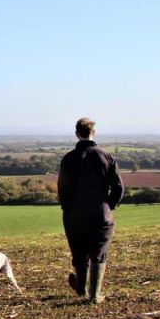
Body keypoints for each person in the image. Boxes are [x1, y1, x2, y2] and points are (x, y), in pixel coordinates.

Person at [58, 118, 124, 304]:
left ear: (77, 133)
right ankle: (94, 296)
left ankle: (81, 289)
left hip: (74, 215)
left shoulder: (68, 159)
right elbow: (118, 188)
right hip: (101, 213)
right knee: (98, 253)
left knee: (79, 253)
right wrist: (108, 206)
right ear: (93, 132)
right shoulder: (106, 157)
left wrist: (68, 208)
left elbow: (62, 189)